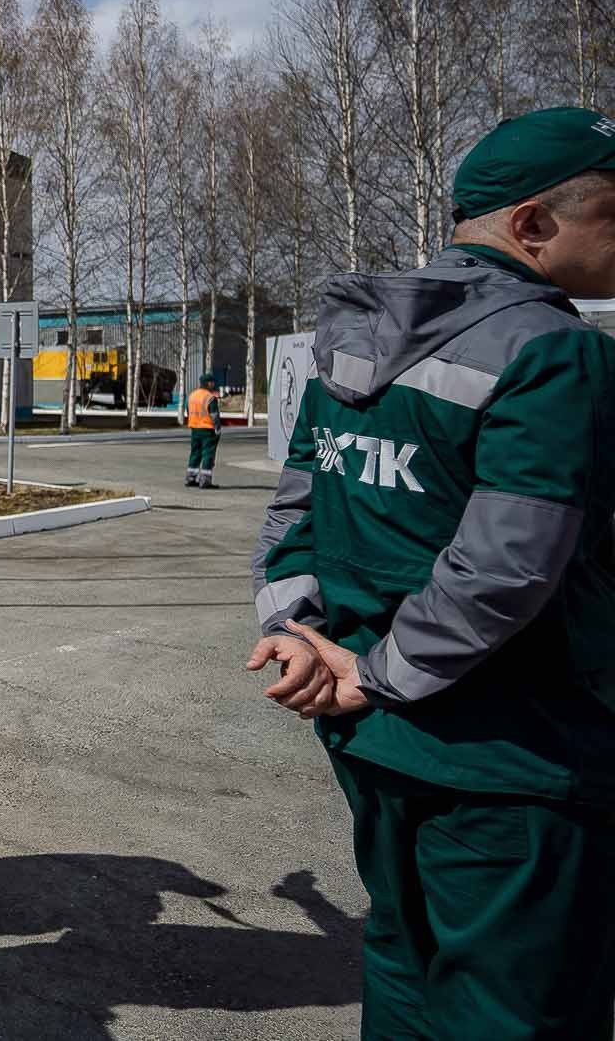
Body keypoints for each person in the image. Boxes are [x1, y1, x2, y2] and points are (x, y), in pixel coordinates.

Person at [251, 106, 615, 1041]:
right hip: (511, 756)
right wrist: (372, 674)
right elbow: (507, 563)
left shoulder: (359, 339)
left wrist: (297, 635)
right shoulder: (553, 349)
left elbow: (298, 514)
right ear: (533, 224)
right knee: (515, 1005)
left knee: (405, 964)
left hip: (374, 741)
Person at [183, 374, 220, 489]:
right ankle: (205, 480)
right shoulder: (210, 397)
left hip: (194, 429)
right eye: (212, 382)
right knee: (208, 454)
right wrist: (217, 429)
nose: (213, 384)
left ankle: (190, 478)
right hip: (207, 430)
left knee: (195, 453)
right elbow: (214, 416)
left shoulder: (192, 396)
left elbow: (188, 412)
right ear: (208, 383)